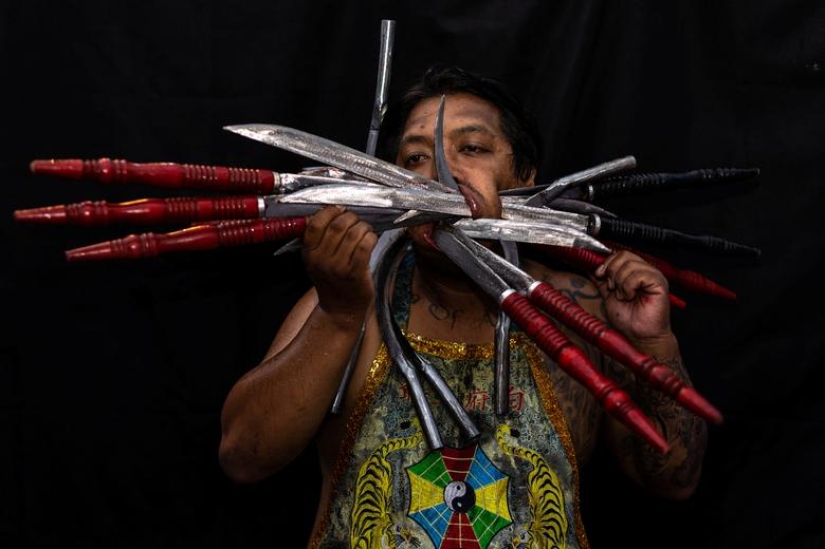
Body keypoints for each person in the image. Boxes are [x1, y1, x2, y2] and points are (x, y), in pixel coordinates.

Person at [218, 64, 708, 548]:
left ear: (524, 178)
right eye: (414, 159)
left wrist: (652, 342)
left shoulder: (578, 310)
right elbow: (244, 457)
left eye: (471, 148)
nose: (442, 174)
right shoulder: (350, 299)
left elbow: (673, 480)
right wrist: (339, 316)